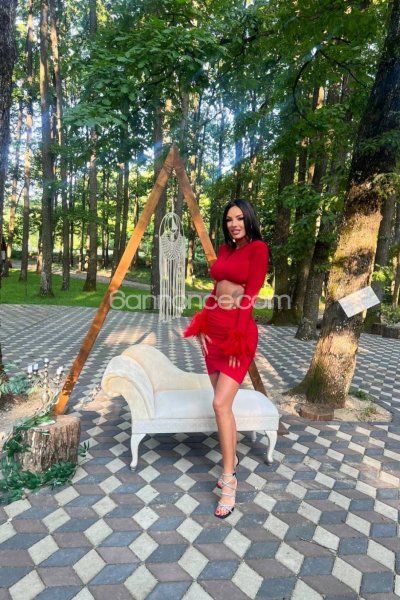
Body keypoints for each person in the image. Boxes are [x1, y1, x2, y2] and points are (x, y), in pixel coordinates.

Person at [183, 198, 269, 518]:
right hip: (214, 332)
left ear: (249, 219)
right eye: (229, 219)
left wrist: (236, 340)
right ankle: (230, 465)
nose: (234, 224)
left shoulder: (258, 249)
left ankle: (230, 478)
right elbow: (216, 289)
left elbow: (250, 296)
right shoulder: (224, 250)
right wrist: (202, 326)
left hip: (237, 334)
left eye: (240, 218)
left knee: (219, 404)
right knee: (225, 408)